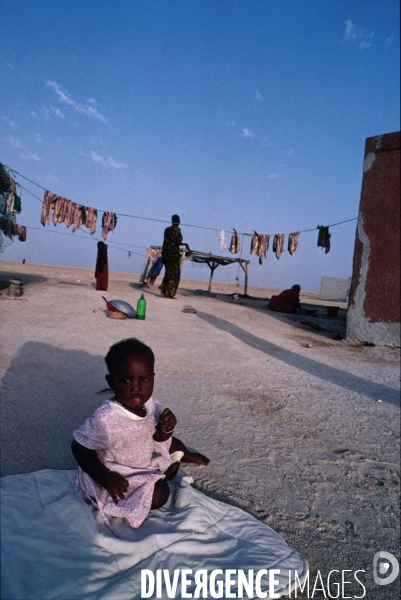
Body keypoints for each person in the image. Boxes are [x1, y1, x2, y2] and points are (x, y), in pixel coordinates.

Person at [71, 338, 209, 531]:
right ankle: (167, 468)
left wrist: (167, 428)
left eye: (144, 380)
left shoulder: (152, 405)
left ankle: (183, 455)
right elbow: (79, 447)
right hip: (122, 471)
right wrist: (104, 477)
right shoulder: (107, 419)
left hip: (147, 451)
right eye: (126, 380)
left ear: (152, 377)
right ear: (111, 381)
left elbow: (159, 438)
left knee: (173, 442)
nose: (136, 387)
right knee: (161, 493)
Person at [159, 214, 190, 298]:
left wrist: (163, 254)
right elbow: (178, 242)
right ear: (178, 221)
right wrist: (185, 244)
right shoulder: (177, 230)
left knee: (168, 273)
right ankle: (170, 293)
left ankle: (164, 291)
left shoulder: (167, 230)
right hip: (173, 255)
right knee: (174, 275)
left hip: (166, 254)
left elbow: (165, 242)